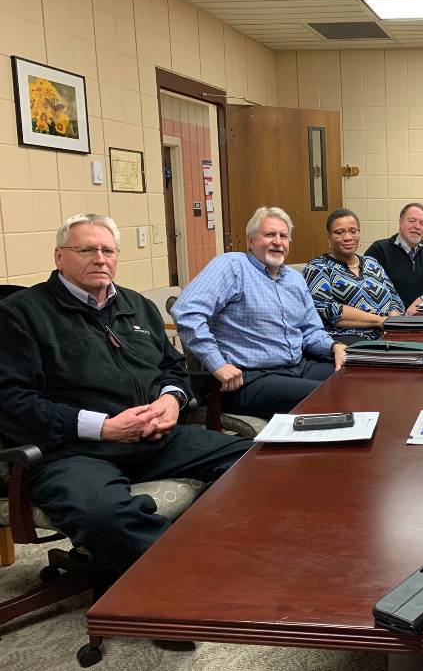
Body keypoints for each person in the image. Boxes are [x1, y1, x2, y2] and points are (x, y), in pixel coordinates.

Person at [0, 214, 252, 574]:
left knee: (257, 462)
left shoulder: (137, 306)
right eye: (85, 249)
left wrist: (171, 400)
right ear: (59, 256)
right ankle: (182, 584)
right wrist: (104, 428)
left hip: (157, 439)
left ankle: (205, 555)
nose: (99, 258)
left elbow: (174, 368)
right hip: (73, 452)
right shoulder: (20, 315)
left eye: (107, 250)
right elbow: (13, 404)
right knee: (104, 514)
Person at [172, 207, 345, 418]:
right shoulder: (232, 266)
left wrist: (333, 347)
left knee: (360, 379)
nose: (278, 241)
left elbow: (310, 330)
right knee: (329, 395)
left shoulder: (294, 279)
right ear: (250, 240)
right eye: (270, 234)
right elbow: (186, 311)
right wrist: (217, 364)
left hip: (297, 367)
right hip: (248, 379)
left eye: (283, 236)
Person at [304, 208, 405, 343]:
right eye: (339, 232)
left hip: (388, 334)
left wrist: (392, 325)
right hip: (348, 339)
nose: (348, 237)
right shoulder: (318, 266)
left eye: (353, 231)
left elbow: (396, 301)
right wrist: (381, 321)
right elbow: (326, 310)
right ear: (329, 238)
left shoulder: (372, 263)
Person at [364, 202, 423, 314]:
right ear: (400, 222)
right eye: (412, 221)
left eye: (422, 223)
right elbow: (364, 287)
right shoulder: (379, 249)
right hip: (386, 320)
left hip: (420, 317)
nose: (417, 227)